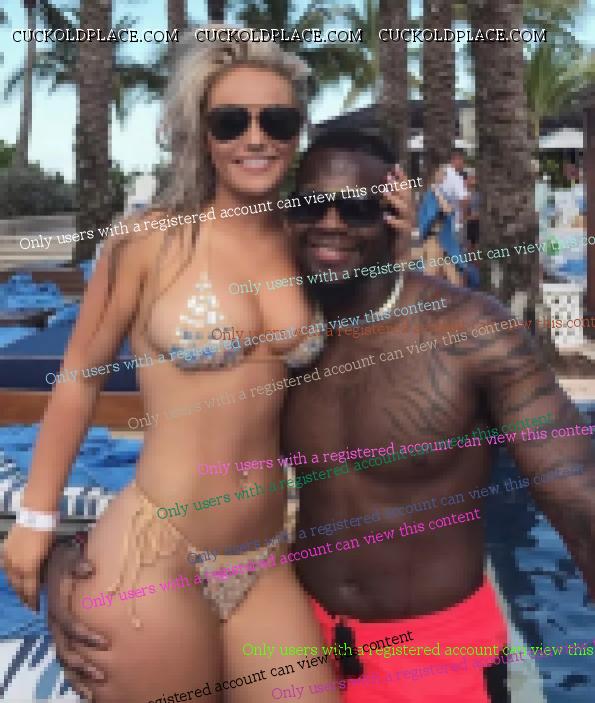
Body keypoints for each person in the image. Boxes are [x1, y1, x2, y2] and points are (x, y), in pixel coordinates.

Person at [44, 129, 595, 703]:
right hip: (300, 639)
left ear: (394, 212)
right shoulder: (286, 343)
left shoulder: (471, 334)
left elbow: (575, 491)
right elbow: (192, 457)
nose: (330, 223)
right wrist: (82, 559)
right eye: (311, 205)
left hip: (436, 656)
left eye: (356, 209)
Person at [0, 35, 342, 703]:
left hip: (263, 555)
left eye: (277, 120)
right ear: (201, 134)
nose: (255, 138)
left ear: (297, 132)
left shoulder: (307, 241)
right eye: (230, 121)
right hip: (157, 549)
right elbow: (79, 379)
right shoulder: (149, 241)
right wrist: (37, 519)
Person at [440, 148, 469, 235]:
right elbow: (464, 200)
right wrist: (464, 217)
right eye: (462, 160)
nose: (463, 164)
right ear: (456, 159)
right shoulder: (456, 178)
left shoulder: (441, 171)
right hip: (453, 223)